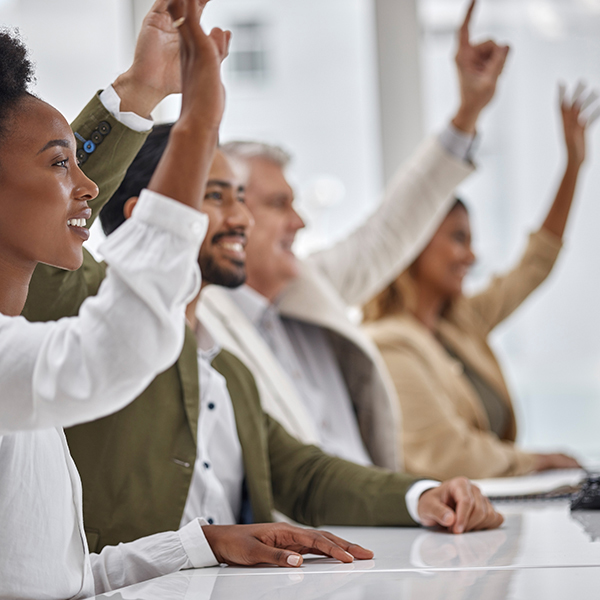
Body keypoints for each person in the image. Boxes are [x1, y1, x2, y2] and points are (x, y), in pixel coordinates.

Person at [3, 1, 370, 598]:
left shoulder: (219, 357)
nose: (88, 188)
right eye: (61, 163)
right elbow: (110, 350)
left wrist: (200, 543)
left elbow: (57, 580)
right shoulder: (52, 327)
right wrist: (197, 119)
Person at [198, 0, 509, 470]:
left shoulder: (308, 284)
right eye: (279, 204)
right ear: (226, 211)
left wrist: (466, 113)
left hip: (382, 518)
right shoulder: (202, 320)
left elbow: (390, 230)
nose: (299, 222)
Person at [362, 86, 597, 480]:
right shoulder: (387, 343)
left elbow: (535, 265)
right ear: (414, 244)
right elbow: (452, 456)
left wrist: (573, 166)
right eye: (458, 239)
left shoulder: (461, 323)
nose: (471, 256)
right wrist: (536, 461)